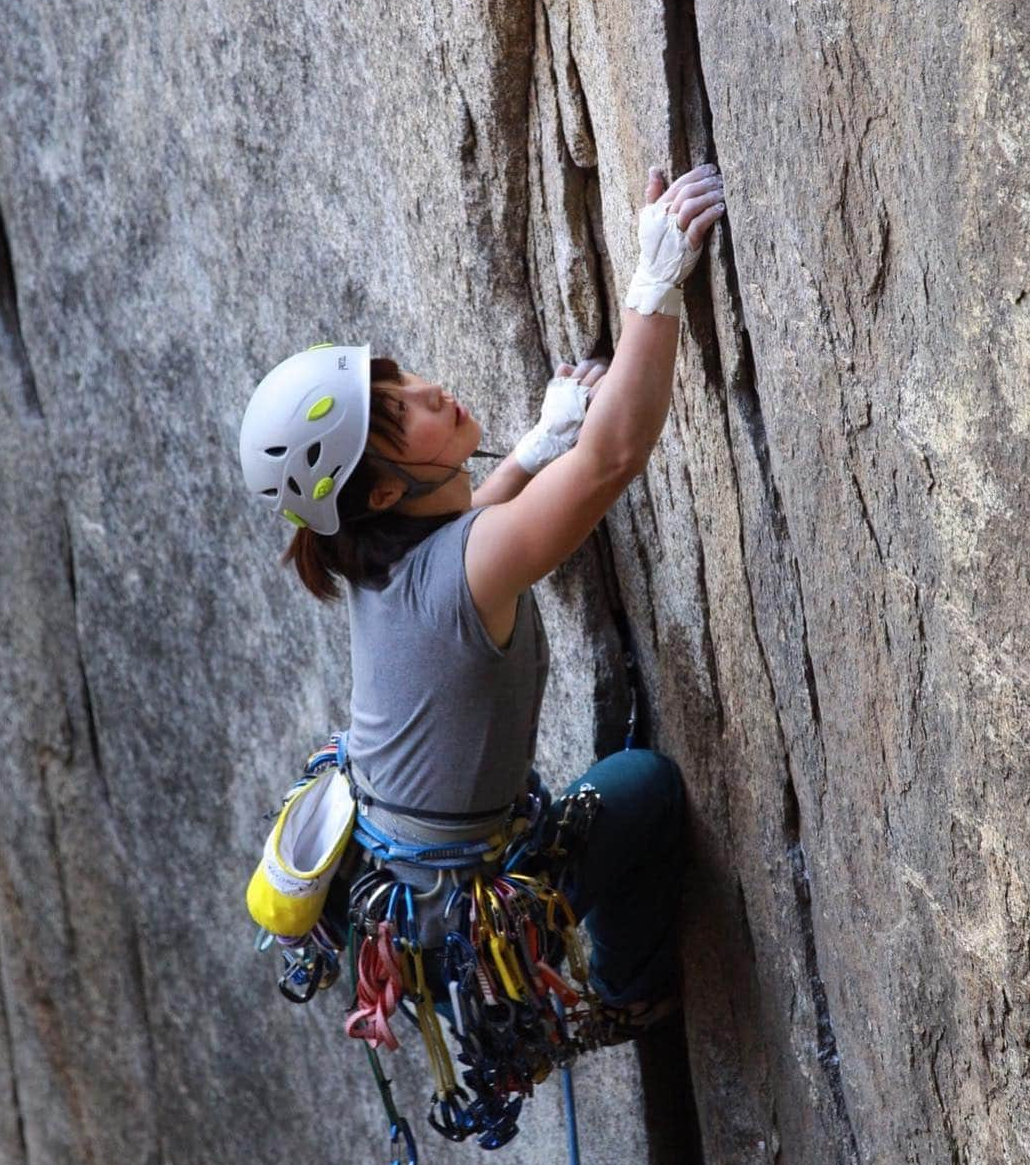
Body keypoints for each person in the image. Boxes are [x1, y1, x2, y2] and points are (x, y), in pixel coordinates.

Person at [240, 162, 726, 1038]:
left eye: (401, 383)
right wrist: (654, 286)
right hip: (464, 926)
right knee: (643, 786)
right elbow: (613, 459)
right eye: (400, 416)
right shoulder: (456, 571)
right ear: (383, 492)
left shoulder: (380, 557)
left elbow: (472, 532)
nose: (429, 392)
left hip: (408, 883)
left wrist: (535, 449)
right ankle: (629, 993)